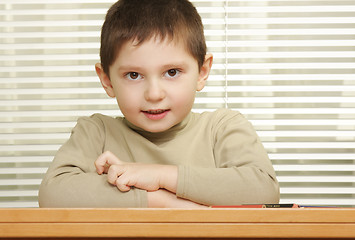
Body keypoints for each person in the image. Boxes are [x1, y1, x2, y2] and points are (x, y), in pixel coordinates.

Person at [38, 0, 280, 208]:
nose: (154, 94)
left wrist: (158, 175)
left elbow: (263, 190)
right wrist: (162, 201)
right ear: (107, 80)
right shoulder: (96, 132)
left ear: (202, 71)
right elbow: (53, 192)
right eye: (134, 75)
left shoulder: (222, 128)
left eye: (172, 72)